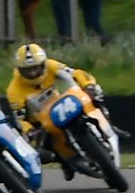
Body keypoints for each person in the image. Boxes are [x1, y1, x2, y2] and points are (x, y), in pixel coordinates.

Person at [6, 43, 103, 179]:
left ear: (43, 64)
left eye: (36, 68)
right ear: (19, 69)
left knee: (94, 99)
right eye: (27, 70)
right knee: (43, 149)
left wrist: (89, 86)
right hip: (40, 123)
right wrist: (30, 131)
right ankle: (64, 160)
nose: (33, 73)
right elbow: (20, 119)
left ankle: (107, 125)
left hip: (62, 105)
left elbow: (76, 74)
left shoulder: (51, 65)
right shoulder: (14, 90)